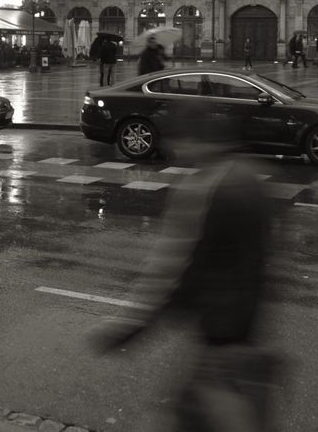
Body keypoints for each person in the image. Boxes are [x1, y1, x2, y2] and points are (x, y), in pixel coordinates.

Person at [91, 121, 281, 431]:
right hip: (247, 331)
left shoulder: (206, 188)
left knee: (193, 417)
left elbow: (175, 271)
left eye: (179, 139)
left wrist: (132, 328)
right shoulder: (249, 177)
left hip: (220, 340)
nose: (174, 149)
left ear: (197, 140)